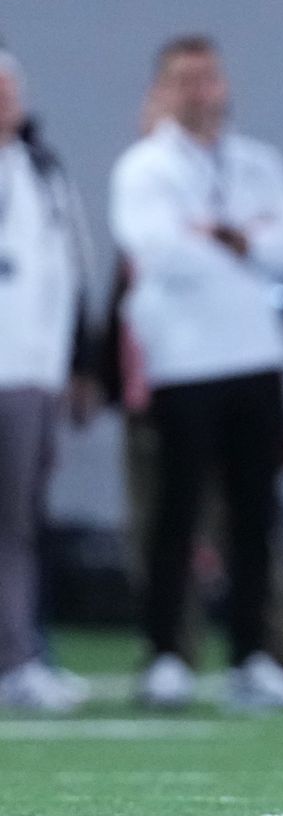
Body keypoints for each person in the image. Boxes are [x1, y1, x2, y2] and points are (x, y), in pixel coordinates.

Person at [110, 34, 283, 712]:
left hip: (256, 358)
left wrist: (231, 237)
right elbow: (160, 251)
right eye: (185, 80)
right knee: (176, 516)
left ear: (224, 85)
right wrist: (247, 243)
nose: (200, 91)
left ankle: (252, 657)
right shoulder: (144, 168)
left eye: (209, 78)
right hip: (183, 363)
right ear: (164, 90)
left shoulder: (259, 163)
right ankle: (168, 655)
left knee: (257, 518)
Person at [0, 48, 97, 714]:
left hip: (28, 374)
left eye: (9, 91)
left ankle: (19, 657)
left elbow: (72, 274)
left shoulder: (42, 172)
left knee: (18, 524)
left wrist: (76, 366)